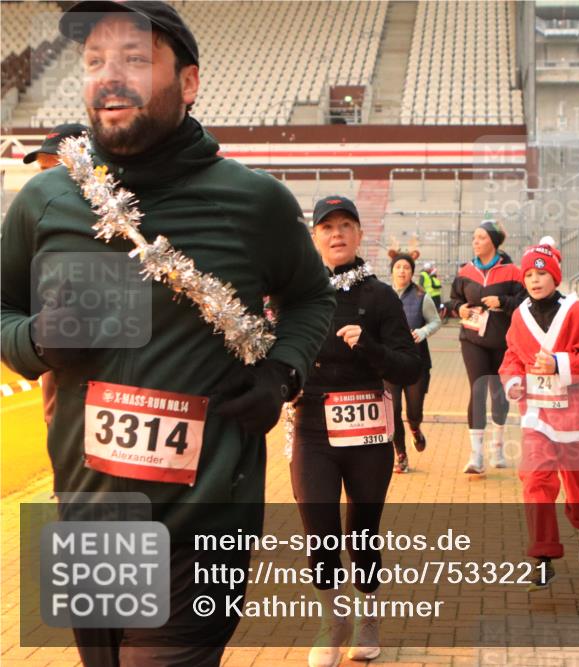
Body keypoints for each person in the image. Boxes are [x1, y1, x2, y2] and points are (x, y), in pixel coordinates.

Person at [0, 3, 335, 665]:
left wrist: (282, 375)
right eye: (94, 61)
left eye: (134, 58)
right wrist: (36, 340)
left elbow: (311, 296)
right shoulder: (46, 201)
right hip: (92, 520)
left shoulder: (255, 201)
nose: (108, 76)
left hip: (205, 518)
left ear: (189, 82)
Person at [292, 196, 421, 666]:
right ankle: (334, 621)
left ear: (360, 234)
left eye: (346, 225)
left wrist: (370, 347)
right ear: (315, 238)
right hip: (311, 429)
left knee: (361, 531)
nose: (337, 233)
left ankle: (368, 618)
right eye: (327, 227)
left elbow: (410, 366)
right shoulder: (298, 295)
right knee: (319, 529)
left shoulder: (380, 296)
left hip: (367, 431)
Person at [499, 242, 579, 590]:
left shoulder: (577, 312)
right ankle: (543, 555)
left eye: (542, 273)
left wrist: (561, 364)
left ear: (555, 276)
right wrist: (513, 382)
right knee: (535, 480)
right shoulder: (519, 315)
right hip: (537, 416)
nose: (535, 280)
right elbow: (512, 357)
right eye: (530, 275)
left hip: (576, 419)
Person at [21, 122, 88, 427]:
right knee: (57, 423)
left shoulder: (121, 215)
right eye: (42, 170)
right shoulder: (36, 218)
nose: (46, 180)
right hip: (56, 348)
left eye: (55, 169)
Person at [445, 220, 525, 474]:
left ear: (492, 241)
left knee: (498, 394)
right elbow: (453, 299)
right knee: (478, 389)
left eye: (480, 237)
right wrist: (460, 308)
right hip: (472, 339)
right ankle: (476, 455)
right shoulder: (466, 272)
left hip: (504, 342)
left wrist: (502, 301)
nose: (475, 242)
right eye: (474, 237)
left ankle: (497, 446)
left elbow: (524, 301)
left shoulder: (513, 271)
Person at [385, 248, 442, 473]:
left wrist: (423, 331)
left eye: (406, 267)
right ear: (392, 271)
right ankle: (401, 455)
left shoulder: (421, 297)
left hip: (416, 363)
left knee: (413, 412)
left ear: (412, 273)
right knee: (393, 411)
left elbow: (436, 321)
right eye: (398, 267)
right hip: (389, 364)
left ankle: (416, 430)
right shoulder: (383, 295)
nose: (402, 271)